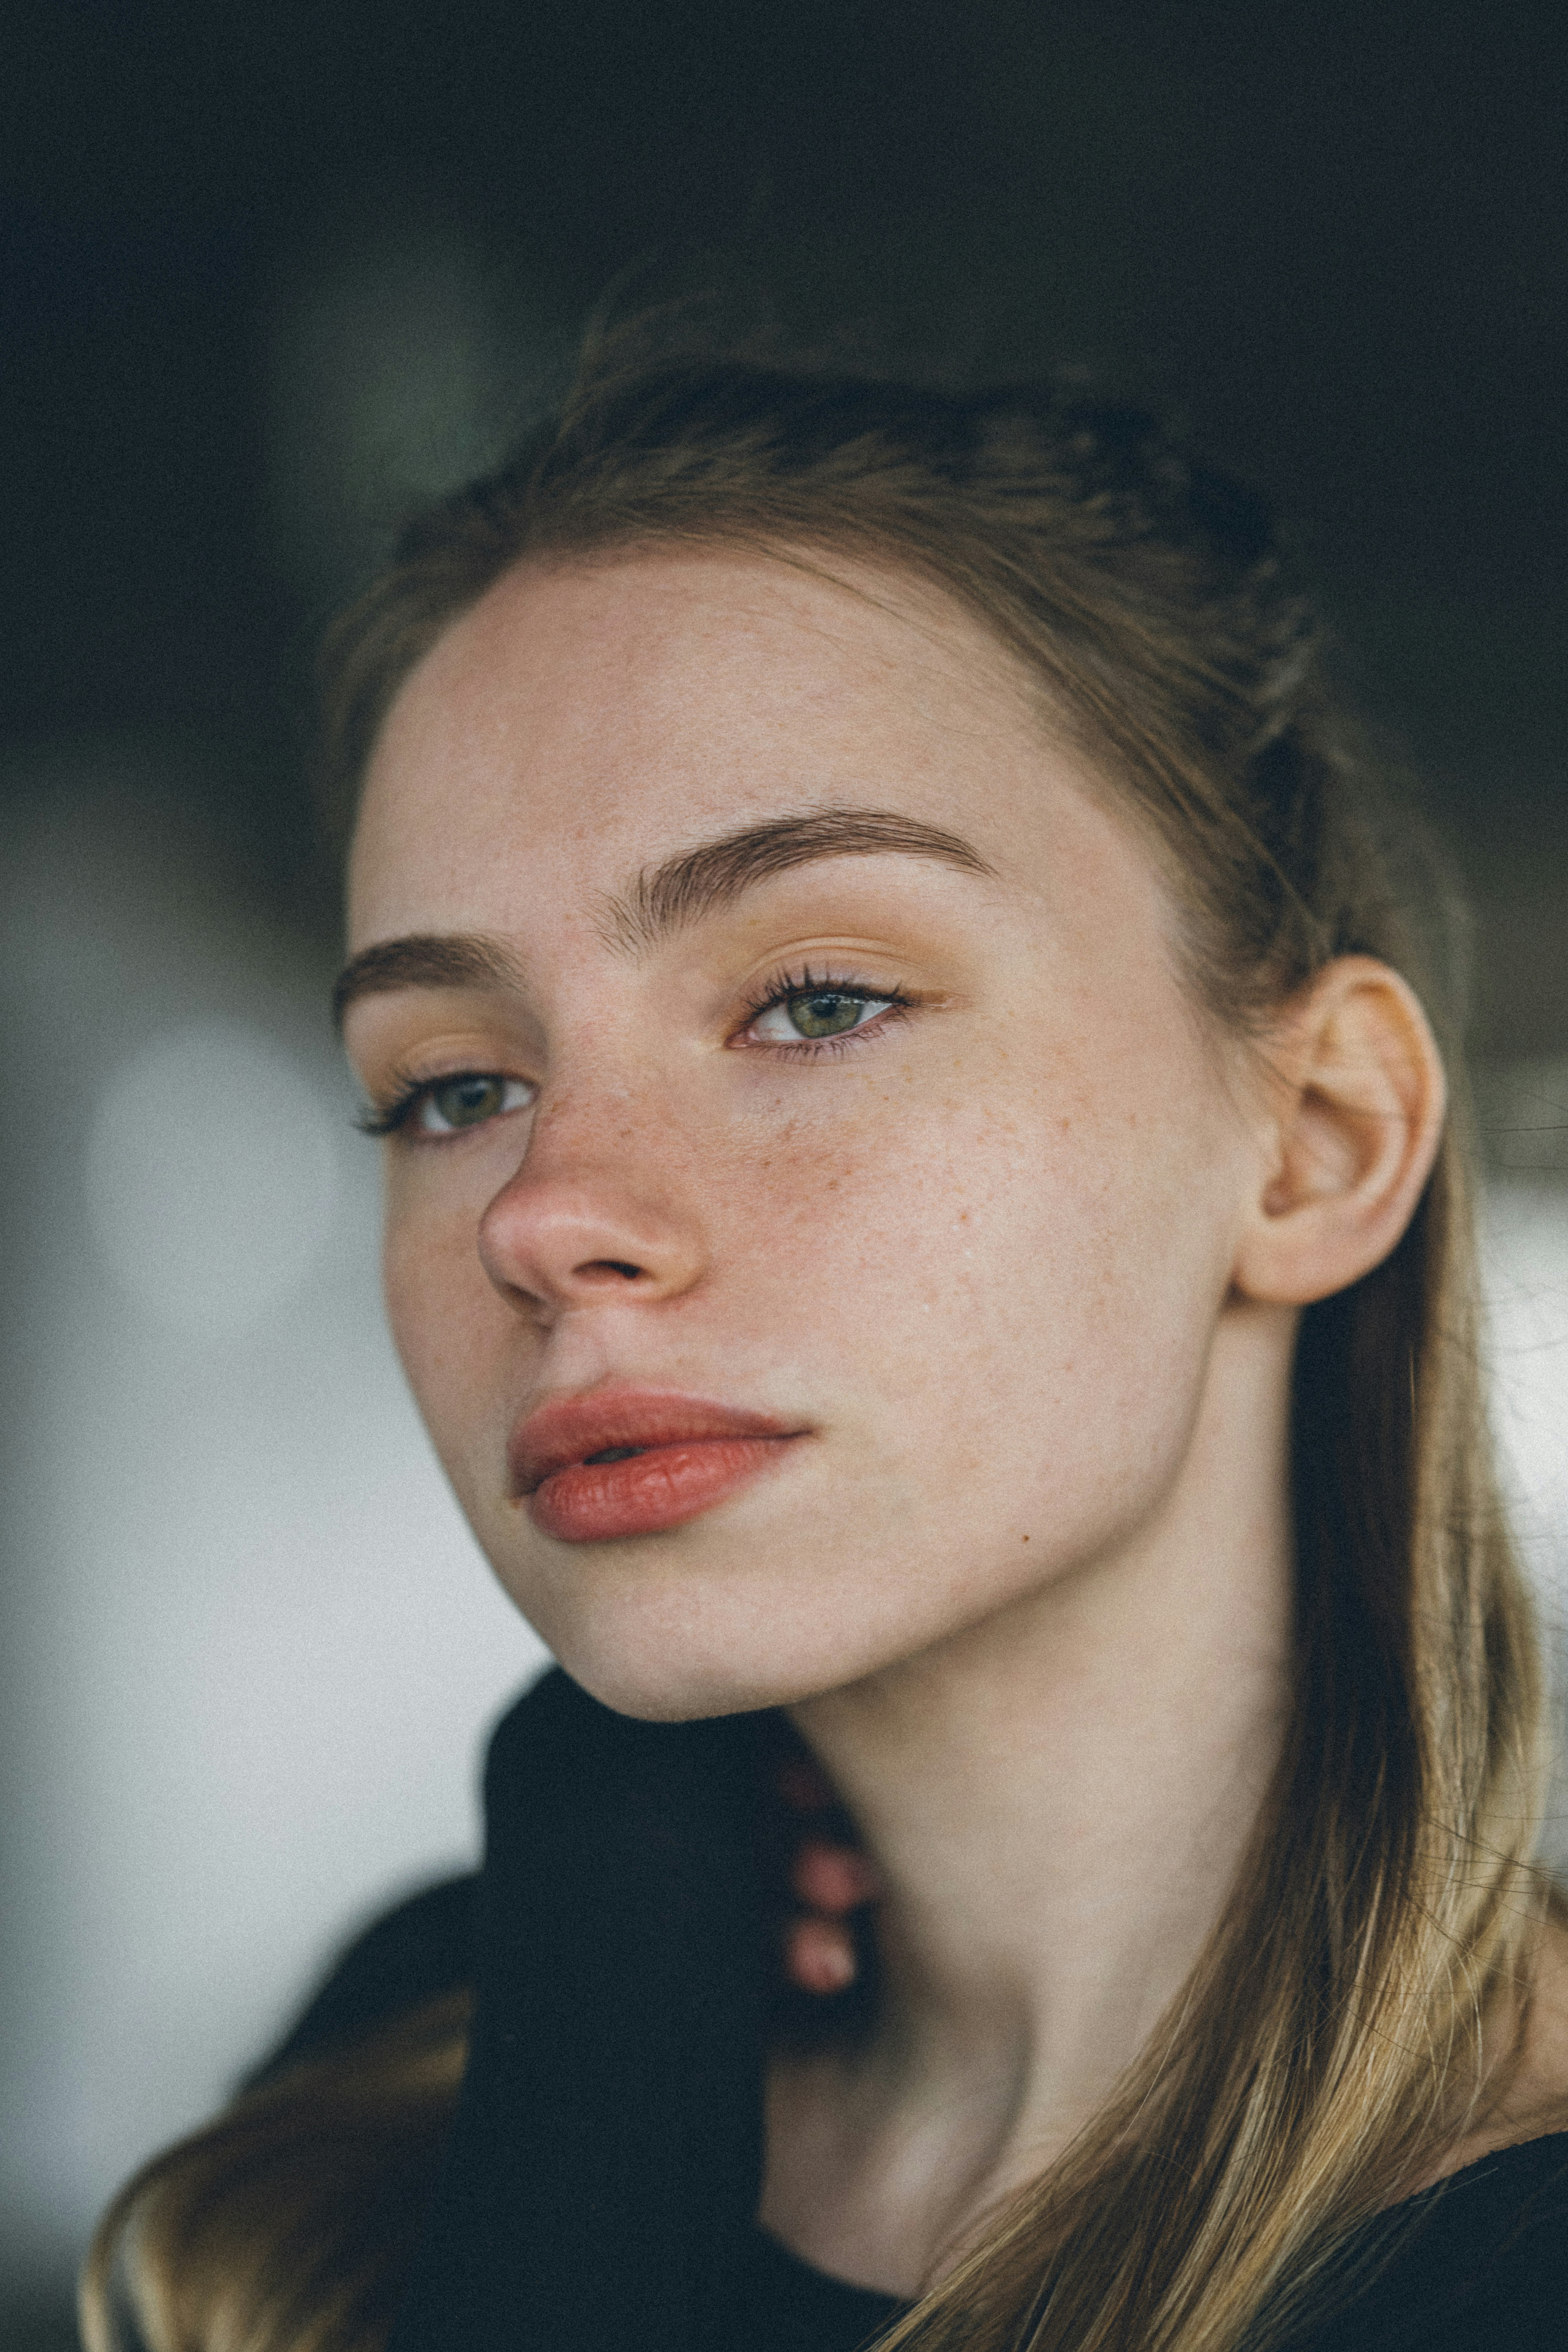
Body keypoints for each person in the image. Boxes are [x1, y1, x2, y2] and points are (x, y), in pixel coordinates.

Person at [83, 326, 1568, 2352]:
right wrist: (595, 2049)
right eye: (452, 1087)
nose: (541, 1212)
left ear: (1317, 1142)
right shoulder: (408, 2100)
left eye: (819, 1002)